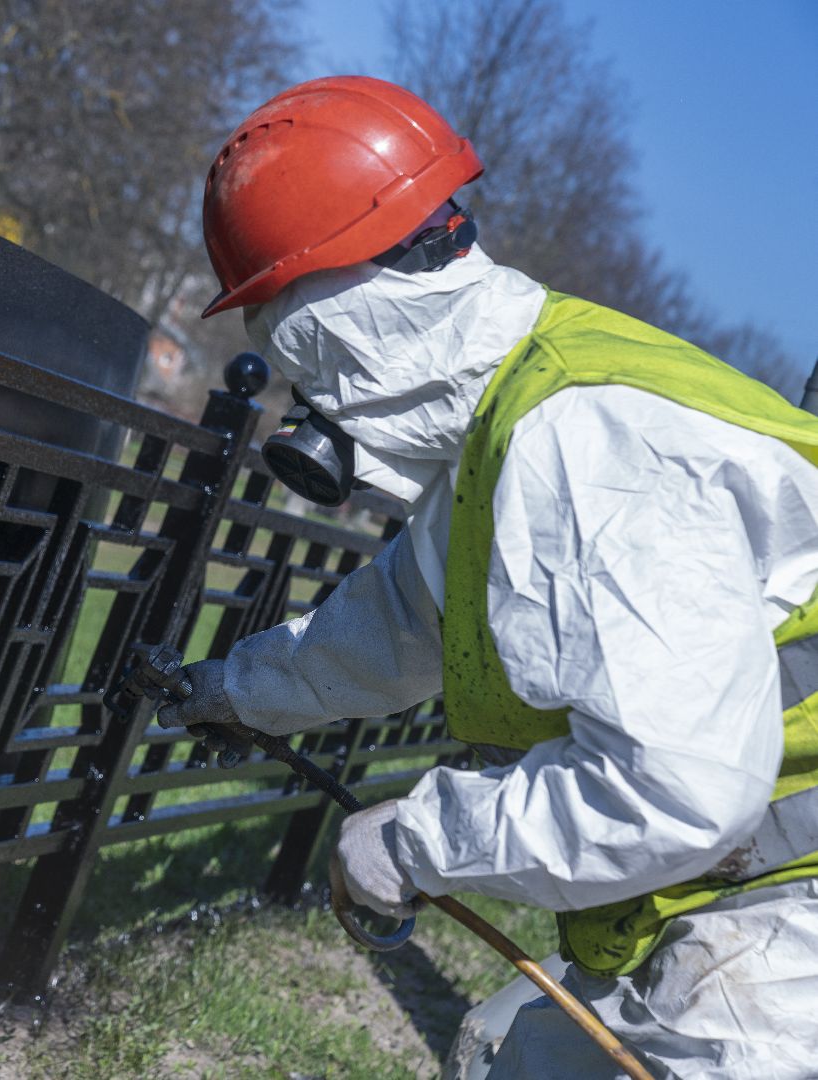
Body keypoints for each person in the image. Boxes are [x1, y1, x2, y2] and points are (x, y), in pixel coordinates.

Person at [159, 75, 818, 1078]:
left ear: (331, 328)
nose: (309, 404)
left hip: (783, 932)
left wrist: (417, 842)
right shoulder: (508, 422)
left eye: (298, 361)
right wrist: (237, 693)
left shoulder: (583, 441)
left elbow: (675, 788)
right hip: (740, 900)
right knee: (499, 1056)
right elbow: (400, 622)